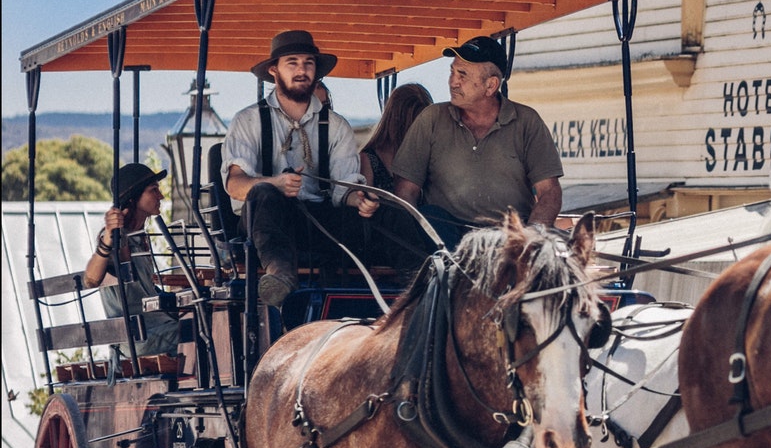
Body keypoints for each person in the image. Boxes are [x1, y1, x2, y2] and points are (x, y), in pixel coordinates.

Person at [222, 31, 378, 306]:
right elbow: (235, 185)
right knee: (264, 194)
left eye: (308, 63)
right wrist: (275, 184)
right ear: (274, 70)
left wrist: (360, 200)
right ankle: (280, 276)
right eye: (292, 62)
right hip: (264, 224)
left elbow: (344, 188)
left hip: (316, 221)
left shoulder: (337, 126)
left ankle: (414, 287)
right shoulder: (248, 120)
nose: (301, 70)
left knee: (378, 216)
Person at [392, 36, 564, 246]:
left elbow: (549, 192)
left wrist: (531, 238)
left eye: (462, 74)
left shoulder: (527, 121)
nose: (453, 82)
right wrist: (418, 235)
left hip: (507, 241)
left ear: (491, 85)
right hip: (445, 242)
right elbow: (405, 191)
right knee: (430, 215)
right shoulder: (431, 119)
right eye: (452, 72)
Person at [83, 163, 181, 359]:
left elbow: (145, 292)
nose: (160, 196)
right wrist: (109, 236)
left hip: (155, 327)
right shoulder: (117, 238)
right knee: (208, 328)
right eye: (154, 190)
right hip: (137, 338)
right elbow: (90, 280)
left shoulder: (139, 238)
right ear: (134, 198)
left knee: (206, 320)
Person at [356, 83, 437, 268]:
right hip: (387, 242)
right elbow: (363, 210)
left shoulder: (429, 156)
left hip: (427, 236)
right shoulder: (369, 158)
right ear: (398, 121)